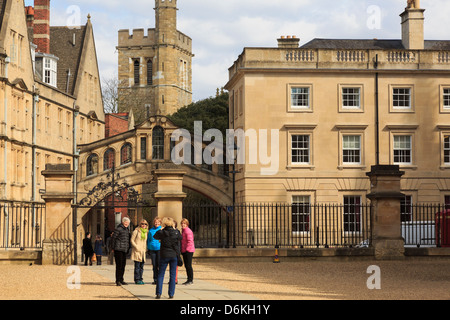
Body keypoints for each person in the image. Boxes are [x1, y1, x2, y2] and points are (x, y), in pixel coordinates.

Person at [153, 217, 182, 299]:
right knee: (172, 275)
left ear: (164, 224)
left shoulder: (162, 232)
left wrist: (161, 229)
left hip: (164, 255)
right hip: (173, 255)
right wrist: (174, 229)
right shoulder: (176, 232)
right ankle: (171, 294)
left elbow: (155, 236)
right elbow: (180, 238)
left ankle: (158, 293)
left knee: (161, 274)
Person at [111, 217, 131, 286]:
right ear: (123, 222)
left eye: (128, 223)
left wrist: (128, 248)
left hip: (124, 250)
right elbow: (113, 238)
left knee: (123, 265)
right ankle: (117, 280)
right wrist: (113, 248)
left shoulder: (127, 230)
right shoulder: (118, 229)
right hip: (118, 249)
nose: (127, 224)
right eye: (126, 222)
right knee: (119, 265)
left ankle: (121, 279)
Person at [131, 219, 149, 284]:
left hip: (143, 251)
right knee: (137, 266)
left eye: (145, 224)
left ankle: (141, 278)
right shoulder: (136, 231)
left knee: (142, 266)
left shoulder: (146, 232)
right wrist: (136, 246)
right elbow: (132, 240)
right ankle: (137, 279)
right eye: (142, 224)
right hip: (137, 250)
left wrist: (146, 248)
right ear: (140, 224)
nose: (143, 225)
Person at [147, 217, 162, 285]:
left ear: (160, 223)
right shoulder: (151, 230)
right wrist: (148, 248)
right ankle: (155, 279)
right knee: (154, 265)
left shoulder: (162, 229)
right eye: (156, 222)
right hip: (152, 249)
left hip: (159, 249)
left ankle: (159, 279)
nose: (156, 223)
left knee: (159, 264)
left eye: (158, 222)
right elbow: (149, 239)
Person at [181, 218, 195, 285]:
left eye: (184, 223)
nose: (183, 224)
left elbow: (190, 241)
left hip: (188, 250)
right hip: (185, 250)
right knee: (186, 265)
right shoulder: (183, 231)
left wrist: (187, 250)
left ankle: (190, 279)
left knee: (189, 265)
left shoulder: (188, 231)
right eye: (182, 223)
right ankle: (188, 279)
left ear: (187, 224)